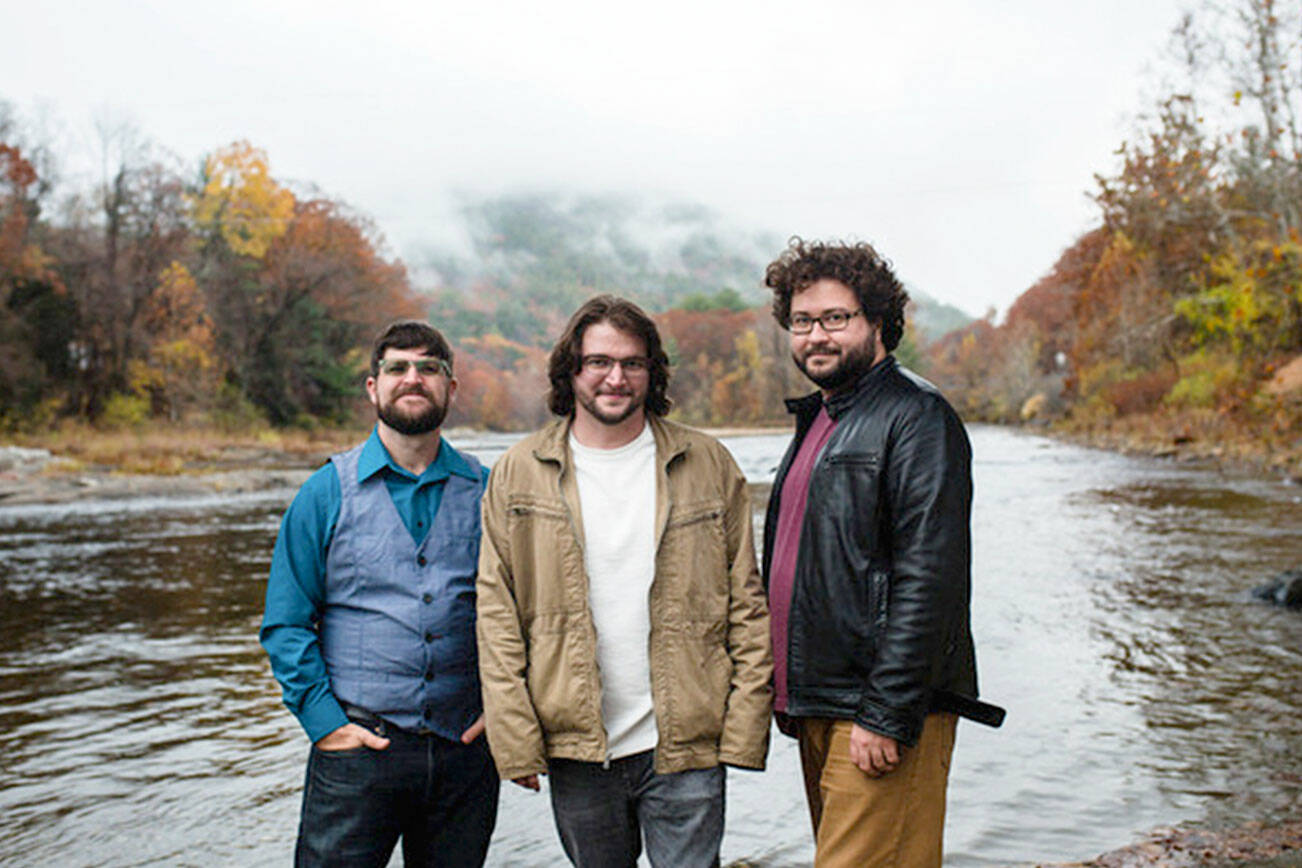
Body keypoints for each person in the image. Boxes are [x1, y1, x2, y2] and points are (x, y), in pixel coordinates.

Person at [476, 294, 772, 868]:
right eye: (599, 362)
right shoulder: (516, 473)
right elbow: (497, 614)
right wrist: (515, 742)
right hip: (578, 747)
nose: (616, 377)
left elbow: (747, 604)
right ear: (572, 370)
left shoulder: (708, 464)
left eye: (633, 363)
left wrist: (742, 728)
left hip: (685, 743)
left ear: (652, 372)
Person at [761, 239, 1004, 868]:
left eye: (836, 318)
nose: (817, 335)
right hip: (820, 705)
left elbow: (932, 578)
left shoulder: (916, 417)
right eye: (803, 321)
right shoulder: (822, 417)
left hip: (876, 712)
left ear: (877, 322)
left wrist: (887, 712)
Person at [260, 320, 498, 868]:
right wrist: (325, 724)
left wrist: (507, 710)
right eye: (397, 367)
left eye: (429, 368)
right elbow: (286, 623)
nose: (412, 379)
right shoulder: (324, 493)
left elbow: (526, 613)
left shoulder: (489, 490)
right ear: (374, 386)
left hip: (465, 755)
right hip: (356, 752)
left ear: (450, 388)